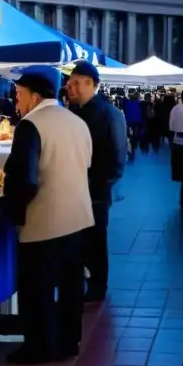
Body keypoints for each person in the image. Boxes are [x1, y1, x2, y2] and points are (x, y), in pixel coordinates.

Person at [2, 71, 94, 364]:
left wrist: (14, 212)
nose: (17, 101)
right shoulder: (77, 121)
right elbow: (87, 163)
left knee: (36, 287)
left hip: (45, 219)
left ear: (35, 96)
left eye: (19, 94)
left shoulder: (30, 126)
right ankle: (69, 341)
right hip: (78, 216)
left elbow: (24, 179)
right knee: (69, 285)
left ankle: (38, 347)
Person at [65, 60, 128, 304]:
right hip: (78, 190)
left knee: (95, 240)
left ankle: (97, 286)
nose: (71, 88)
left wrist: (98, 188)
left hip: (94, 192)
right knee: (83, 241)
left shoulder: (107, 114)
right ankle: (86, 283)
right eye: (70, 83)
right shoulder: (77, 112)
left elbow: (117, 158)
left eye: (78, 84)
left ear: (92, 85)